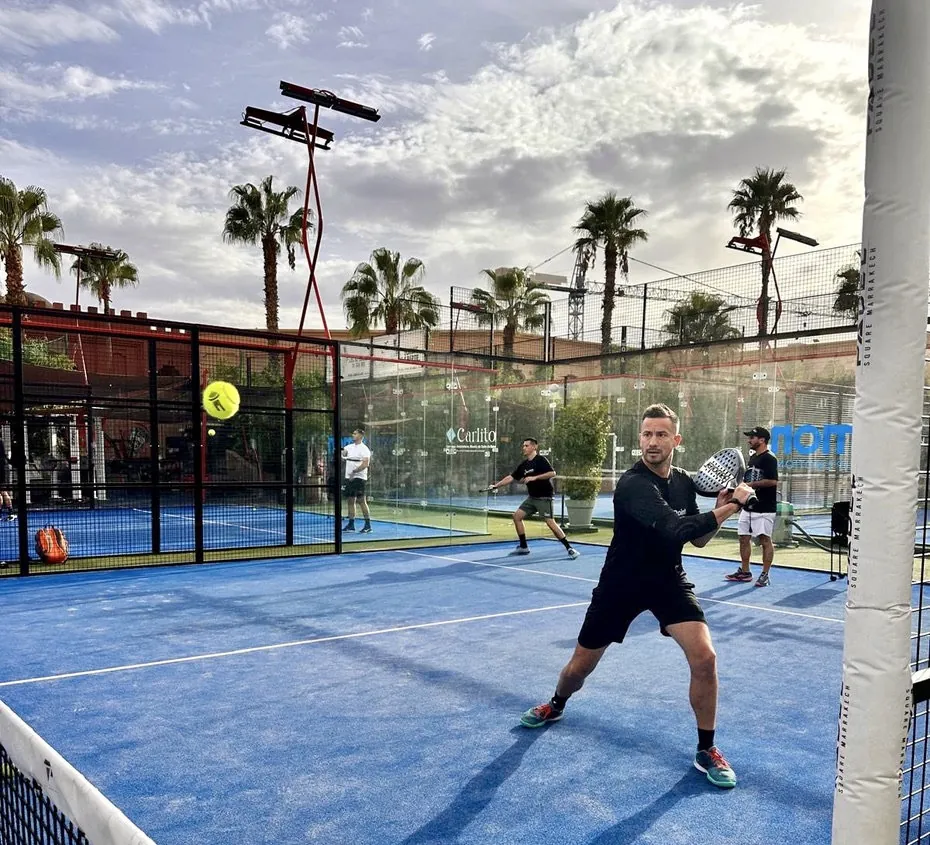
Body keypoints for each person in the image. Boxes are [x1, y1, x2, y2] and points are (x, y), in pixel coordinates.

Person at [518, 403, 755, 790]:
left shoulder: (683, 481)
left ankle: (706, 749)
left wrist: (718, 509)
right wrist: (734, 505)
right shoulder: (632, 484)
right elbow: (673, 530)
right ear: (639, 439)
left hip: (667, 580)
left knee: (705, 657)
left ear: (676, 440)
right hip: (621, 584)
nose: (652, 442)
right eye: (646, 434)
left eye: (661, 434)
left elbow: (697, 539)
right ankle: (556, 704)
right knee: (579, 668)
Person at [488, 437, 579, 560]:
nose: (524, 448)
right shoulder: (524, 465)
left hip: (544, 497)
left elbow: (552, 473)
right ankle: (524, 547)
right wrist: (496, 485)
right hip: (532, 498)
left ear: (534, 447)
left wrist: (534, 478)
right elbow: (511, 477)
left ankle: (570, 548)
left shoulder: (541, 460)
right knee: (517, 516)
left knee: (550, 522)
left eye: (526, 446)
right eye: (523, 446)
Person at [724, 426, 779, 587]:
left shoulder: (770, 458)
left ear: (762, 440)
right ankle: (745, 572)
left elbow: (773, 481)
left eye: (752, 438)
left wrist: (750, 485)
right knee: (743, 538)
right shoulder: (753, 457)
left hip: (764, 508)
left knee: (764, 540)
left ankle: (765, 574)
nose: (749, 440)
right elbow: (747, 480)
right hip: (748, 507)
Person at [342, 428, 372, 534]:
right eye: (353, 433)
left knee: (361, 501)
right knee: (351, 500)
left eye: (355, 434)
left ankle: (368, 525)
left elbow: (365, 464)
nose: (353, 435)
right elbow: (343, 452)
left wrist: (354, 473)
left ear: (360, 436)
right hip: (349, 478)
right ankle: (351, 525)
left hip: (359, 478)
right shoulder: (349, 447)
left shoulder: (364, 449)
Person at [0, 437, 14, 522]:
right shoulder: (1, 442)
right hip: (2, 468)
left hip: (1, 469)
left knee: (3, 492)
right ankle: (10, 512)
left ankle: (10, 513)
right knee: (2, 492)